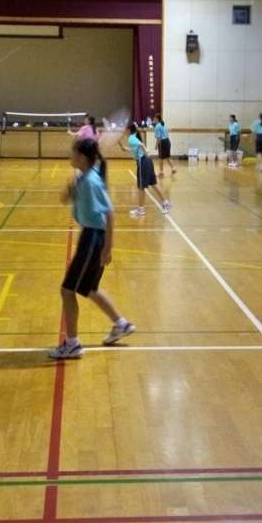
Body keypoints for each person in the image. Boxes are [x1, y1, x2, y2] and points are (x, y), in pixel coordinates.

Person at [49, 138, 135, 359]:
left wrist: (108, 248)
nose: (70, 155)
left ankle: (72, 344)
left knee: (67, 291)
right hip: (90, 236)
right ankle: (121, 324)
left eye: (73, 152)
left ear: (82, 157)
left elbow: (110, 213)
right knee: (90, 288)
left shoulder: (91, 181)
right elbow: (63, 199)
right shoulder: (83, 177)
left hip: (93, 238)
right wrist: (71, 185)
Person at [119, 122, 171, 217]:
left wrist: (146, 152)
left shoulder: (131, 138)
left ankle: (141, 209)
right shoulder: (134, 137)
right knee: (154, 184)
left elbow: (141, 145)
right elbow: (136, 148)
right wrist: (125, 149)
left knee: (141, 187)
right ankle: (166, 203)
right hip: (148, 161)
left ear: (129, 130)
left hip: (143, 162)